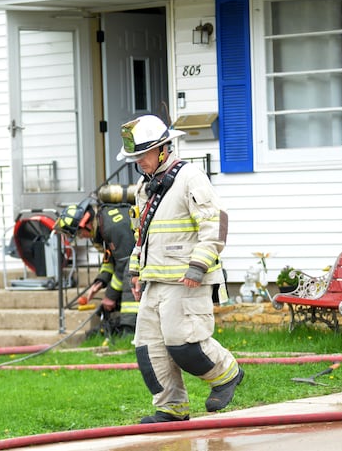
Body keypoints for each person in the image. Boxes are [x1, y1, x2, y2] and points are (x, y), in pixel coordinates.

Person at [118, 114, 243, 424]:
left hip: (186, 279)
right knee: (149, 349)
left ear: (163, 149)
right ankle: (171, 408)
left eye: (142, 155)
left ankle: (227, 374)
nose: (139, 163)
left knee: (184, 344)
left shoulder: (190, 177)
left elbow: (213, 224)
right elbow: (142, 234)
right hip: (155, 280)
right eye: (135, 158)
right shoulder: (144, 186)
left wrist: (198, 267)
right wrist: (136, 273)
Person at [55, 196, 138, 335]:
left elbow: (125, 263)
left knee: (129, 279)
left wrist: (110, 296)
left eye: (79, 233)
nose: (81, 237)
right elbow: (110, 259)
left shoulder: (113, 227)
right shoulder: (102, 225)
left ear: (86, 224)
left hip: (142, 260)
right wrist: (100, 282)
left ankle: (130, 330)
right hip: (131, 259)